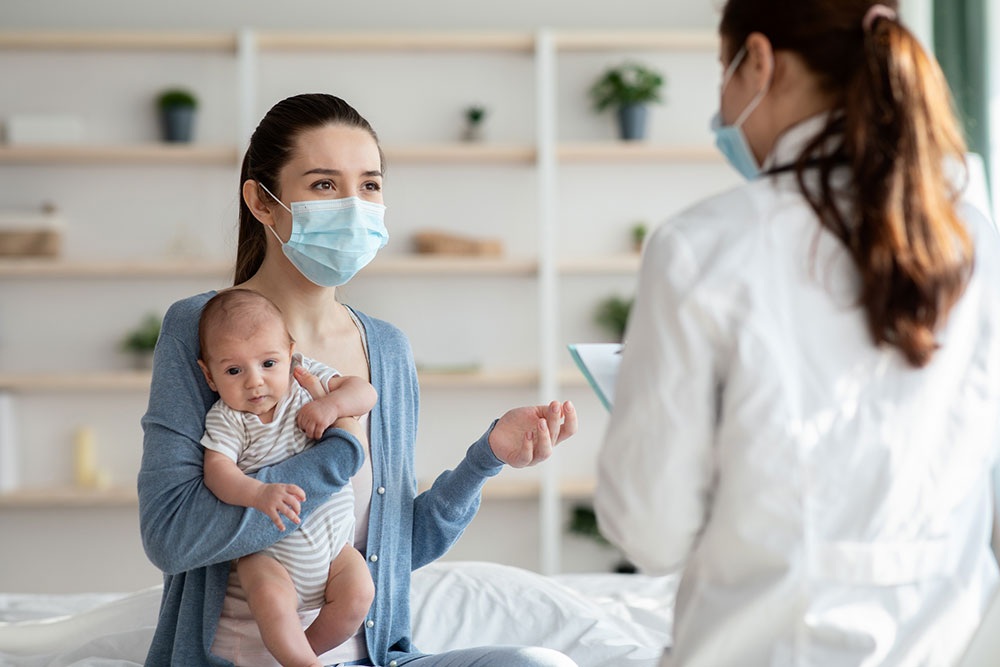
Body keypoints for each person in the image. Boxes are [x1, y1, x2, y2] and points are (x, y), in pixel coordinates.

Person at [595, 2, 1000, 666]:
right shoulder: (974, 242)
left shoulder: (703, 250)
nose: (723, 111)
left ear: (757, 60)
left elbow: (650, 530)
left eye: (720, 74)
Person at [138, 92, 579, 667]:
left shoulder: (387, 351)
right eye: (324, 185)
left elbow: (398, 548)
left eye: (369, 185)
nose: (353, 205)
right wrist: (338, 450)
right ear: (262, 203)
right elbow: (172, 537)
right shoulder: (202, 332)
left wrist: (486, 458)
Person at [197, 288, 377, 667]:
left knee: (359, 593)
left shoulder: (303, 381)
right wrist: (257, 494)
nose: (254, 382)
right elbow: (217, 472)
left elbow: (364, 392)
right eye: (233, 370)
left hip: (334, 549)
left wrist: (331, 404)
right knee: (268, 597)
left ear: (291, 353)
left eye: (268, 363)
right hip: (270, 553)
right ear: (209, 376)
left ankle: (303, 654)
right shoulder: (229, 419)